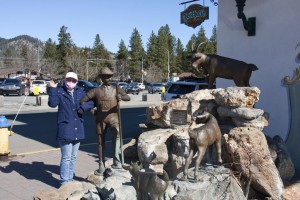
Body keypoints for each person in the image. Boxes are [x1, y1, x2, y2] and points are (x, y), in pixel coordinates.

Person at [80, 67, 130, 175]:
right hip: (101, 118)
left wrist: (121, 97)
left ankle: (117, 160)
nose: (110, 78)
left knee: (116, 134)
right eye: (107, 77)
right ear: (102, 78)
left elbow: (128, 98)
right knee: (100, 142)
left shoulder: (116, 89)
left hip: (113, 117)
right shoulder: (95, 91)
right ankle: (101, 164)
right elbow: (83, 100)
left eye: (111, 76)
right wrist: (91, 110)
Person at [48, 72, 94, 185]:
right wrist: (52, 89)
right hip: (65, 128)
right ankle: (64, 181)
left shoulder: (80, 92)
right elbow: (52, 103)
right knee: (66, 157)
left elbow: (93, 102)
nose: (71, 82)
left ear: (76, 82)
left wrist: (83, 108)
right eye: (69, 80)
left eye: (73, 81)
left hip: (78, 128)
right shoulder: (59, 91)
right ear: (65, 80)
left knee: (73, 157)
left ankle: (70, 179)